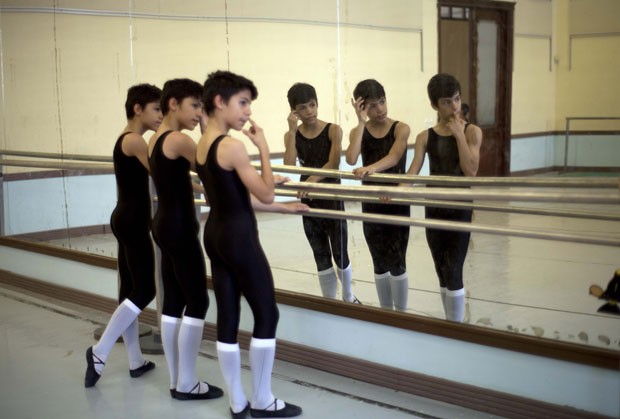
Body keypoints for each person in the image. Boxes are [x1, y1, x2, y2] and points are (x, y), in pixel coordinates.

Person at [197, 70, 305, 418]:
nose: (247, 112)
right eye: (242, 103)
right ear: (219, 102)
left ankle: (237, 402)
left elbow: (235, 197)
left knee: (228, 316)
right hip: (239, 237)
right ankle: (262, 400)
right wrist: (262, 146)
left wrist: (283, 208)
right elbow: (265, 190)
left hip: (215, 234)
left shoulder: (204, 144)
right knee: (267, 313)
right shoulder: (233, 146)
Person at [147, 78, 223, 400]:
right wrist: (210, 125)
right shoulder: (179, 139)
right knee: (199, 300)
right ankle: (188, 383)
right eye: (195, 106)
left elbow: (174, 178)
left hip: (162, 224)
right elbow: (213, 165)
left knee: (174, 302)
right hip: (179, 227)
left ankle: (177, 379)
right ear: (173, 104)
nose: (198, 113)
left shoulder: (155, 138)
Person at [85, 83, 162, 388]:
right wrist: (206, 186)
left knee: (129, 289)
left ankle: (135, 360)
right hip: (132, 221)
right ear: (138, 109)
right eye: (156, 109)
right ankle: (100, 350)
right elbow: (163, 175)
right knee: (145, 290)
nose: (160, 115)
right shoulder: (135, 141)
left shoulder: (125, 138)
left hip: (124, 218)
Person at [406, 73, 482, 322]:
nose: (454, 107)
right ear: (435, 105)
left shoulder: (473, 132)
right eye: (446, 102)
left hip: (460, 206)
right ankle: (450, 324)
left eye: (457, 99)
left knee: (454, 268)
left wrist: (459, 134)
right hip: (435, 207)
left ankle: (456, 328)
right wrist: (391, 188)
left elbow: (470, 172)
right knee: (441, 269)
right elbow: (412, 172)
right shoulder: (425, 137)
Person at [283, 83, 358, 303]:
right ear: (294, 112)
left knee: (340, 252)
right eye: (303, 108)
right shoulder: (292, 135)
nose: (310, 112)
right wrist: (291, 131)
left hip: (331, 198)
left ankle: (348, 297)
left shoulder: (333, 130)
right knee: (320, 253)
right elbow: (288, 167)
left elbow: (333, 164)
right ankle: (329, 302)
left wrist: (311, 182)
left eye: (313, 105)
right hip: (309, 202)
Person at [345, 79, 411, 312]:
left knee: (398, 260)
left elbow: (394, 157)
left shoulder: (401, 128)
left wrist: (371, 168)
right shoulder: (358, 131)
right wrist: (361, 122)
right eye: (371, 106)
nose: (380, 109)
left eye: (381, 102)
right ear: (362, 108)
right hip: (372, 202)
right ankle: (385, 313)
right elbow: (351, 159)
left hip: (396, 200)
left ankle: (401, 315)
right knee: (379, 261)